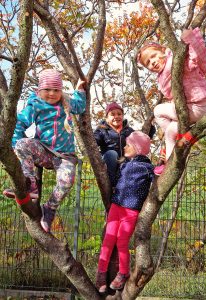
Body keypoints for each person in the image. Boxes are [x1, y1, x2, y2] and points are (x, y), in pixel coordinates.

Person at [3, 69, 86, 232]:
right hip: (44, 151)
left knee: (67, 180)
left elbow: (80, 106)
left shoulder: (67, 102)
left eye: (56, 90)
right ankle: (30, 183)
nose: (52, 94)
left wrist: (80, 90)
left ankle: (49, 208)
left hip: (64, 156)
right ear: (39, 90)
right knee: (22, 144)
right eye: (47, 90)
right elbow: (19, 124)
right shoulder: (35, 104)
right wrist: (15, 145)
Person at [137, 27, 206, 175]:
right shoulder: (162, 75)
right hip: (190, 108)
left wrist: (189, 38)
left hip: (197, 104)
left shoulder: (176, 59)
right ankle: (169, 162)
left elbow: (196, 55)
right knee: (171, 130)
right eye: (148, 63)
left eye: (154, 56)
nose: (153, 62)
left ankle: (178, 136)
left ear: (164, 50)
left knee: (158, 111)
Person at [95, 131, 154, 293]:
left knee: (122, 242)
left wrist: (164, 164)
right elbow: (116, 180)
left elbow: (159, 177)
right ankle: (101, 273)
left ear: (138, 148)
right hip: (116, 206)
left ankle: (123, 273)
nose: (125, 147)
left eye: (129, 145)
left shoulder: (147, 167)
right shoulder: (125, 164)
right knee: (108, 240)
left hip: (131, 210)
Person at [94, 102, 155, 187]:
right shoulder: (102, 130)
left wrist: (151, 127)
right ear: (107, 118)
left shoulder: (128, 130)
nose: (116, 117)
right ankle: (112, 184)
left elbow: (140, 140)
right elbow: (94, 141)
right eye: (112, 114)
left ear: (122, 116)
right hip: (109, 160)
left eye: (119, 114)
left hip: (124, 161)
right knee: (112, 154)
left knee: (134, 160)